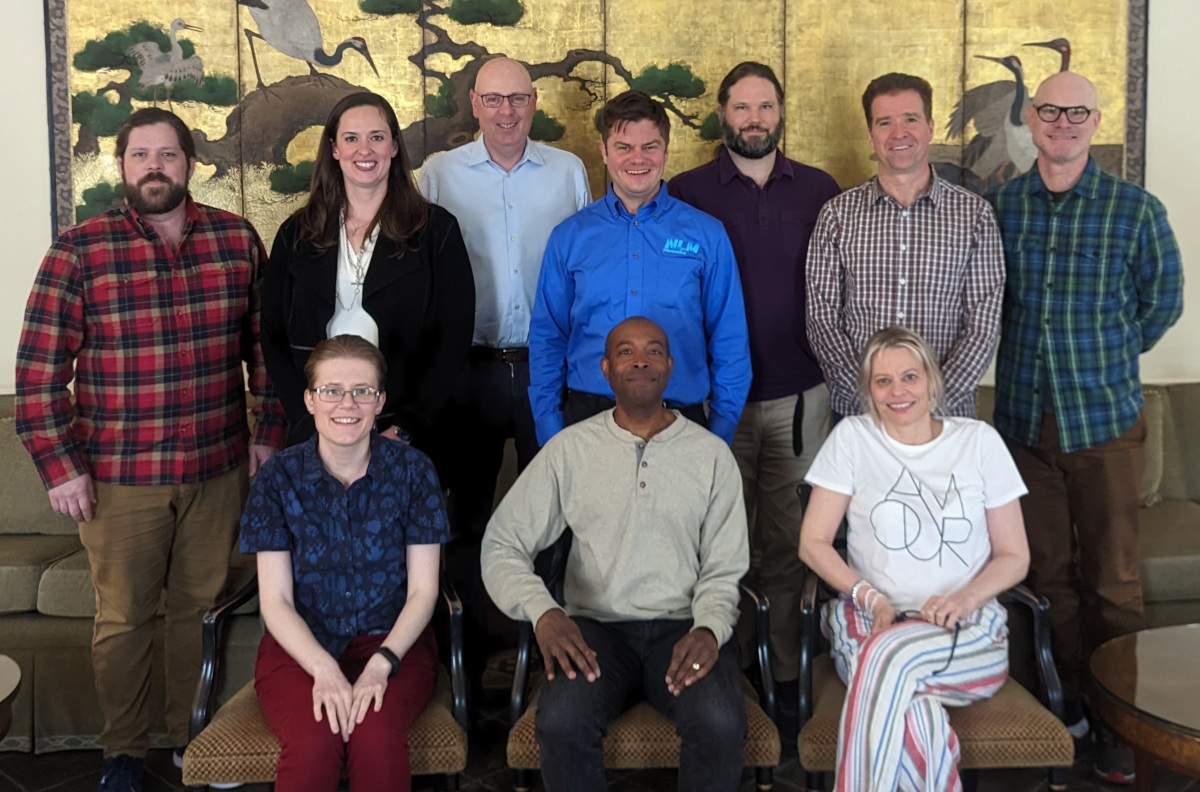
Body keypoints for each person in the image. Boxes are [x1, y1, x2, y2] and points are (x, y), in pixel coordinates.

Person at [14, 107, 286, 791]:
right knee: (124, 617)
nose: (155, 167)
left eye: (168, 154)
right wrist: (61, 468)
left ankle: (192, 741)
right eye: (141, 156)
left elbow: (268, 352)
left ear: (191, 163)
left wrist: (269, 435)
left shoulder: (236, 240)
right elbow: (39, 375)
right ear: (122, 166)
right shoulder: (79, 251)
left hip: (217, 467)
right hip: (117, 476)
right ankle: (123, 753)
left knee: (198, 613)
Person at [985, 71, 1183, 784]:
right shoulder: (1001, 206)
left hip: (1104, 423)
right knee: (1047, 583)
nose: (1062, 122)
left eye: (1078, 112)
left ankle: (1121, 726)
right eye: (1050, 111)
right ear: (1032, 120)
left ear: (1095, 121)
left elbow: (1163, 303)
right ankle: (1061, 710)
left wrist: (1103, 356)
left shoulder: (1135, 211)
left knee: (1114, 586)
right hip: (1021, 428)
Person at [483, 317, 750, 792]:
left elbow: (724, 566)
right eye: (626, 352)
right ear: (605, 368)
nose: (640, 361)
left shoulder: (710, 455)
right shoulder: (570, 449)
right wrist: (544, 613)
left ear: (669, 366)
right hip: (594, 631)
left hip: (683, 626)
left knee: (719, 722)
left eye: (653, 351)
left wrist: (710, 627)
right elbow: (502, 543)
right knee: (563, 722)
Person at [668, 61, 841, 735]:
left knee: (789, 541)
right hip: (716, 405)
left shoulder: (821, 190)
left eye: (764, 107)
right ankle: (728, 675)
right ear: (721, 114)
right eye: (740, 107)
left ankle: (787, 677)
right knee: (717, 544)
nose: (753, 119)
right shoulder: (686, 192)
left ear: (780, 113)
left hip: (802, 399)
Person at [417, 57, 591, 679]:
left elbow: (584, 267)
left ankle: (544, 648)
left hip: (550, 367)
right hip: (469, 370)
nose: (507, 111)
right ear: (474, 103)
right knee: (466, 512)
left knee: (556, 510)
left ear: (535, 101)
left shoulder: (568, 172)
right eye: (494, 99)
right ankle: (471, 651)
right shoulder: (438, 175)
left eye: (517, 98)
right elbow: (421, 273)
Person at [799, 326, 1030, 792]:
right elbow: (813, 543)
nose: (897, 391)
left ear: (932, 380)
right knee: (916, 715)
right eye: (882, 381)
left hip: (967, 632)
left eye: (909, 376)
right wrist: (869, 596)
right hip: (870, 621)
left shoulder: (979, 442)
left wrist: (965, 599)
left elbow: (1014, 556)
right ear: (867, 390)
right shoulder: (853, 439)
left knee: (888, 659)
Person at [240, 335, 450, 792]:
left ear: (380, 403)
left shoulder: (415, 472)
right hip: (299, 646)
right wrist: (322, 668)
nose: (347, 403)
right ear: (310, 400)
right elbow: (274, 600)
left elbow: (424, 592)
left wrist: (381, 664)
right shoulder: (277, 479)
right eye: (332, 390)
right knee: (315, 740)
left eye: (363, 391)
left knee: (376, 739)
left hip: (395, 642)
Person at [528, 90, 751, 447]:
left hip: (682, 422)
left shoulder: (707, 235)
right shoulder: (569, 237)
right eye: (623, 147)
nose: (637, 158)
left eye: (649, 146)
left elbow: (730, 339)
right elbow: (547, 338)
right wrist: (550, 428)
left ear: (666, 150)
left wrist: (719, 434)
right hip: (587, 420)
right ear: (604, 151)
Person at [261, 91, 474, 463]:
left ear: (394, 147)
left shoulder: (436, 232)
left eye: (377, 137)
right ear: (334, 149)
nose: (365, 150)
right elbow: (273, 336)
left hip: (407, 434)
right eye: (351, 139)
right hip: (317, 433)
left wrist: (407, 428)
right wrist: (309, 421)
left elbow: (453, 339)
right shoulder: (295, 234)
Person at [806, 73, 1005, 419]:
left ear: (929, 127)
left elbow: (982, 326)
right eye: (885, 122)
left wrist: (929, 406)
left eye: (910, 119)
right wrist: (870, 399)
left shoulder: (975, 216)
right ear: (871, 136)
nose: (899, 133)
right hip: (859, 418)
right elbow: (822, 319)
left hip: (945, 419)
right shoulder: (837, 216)